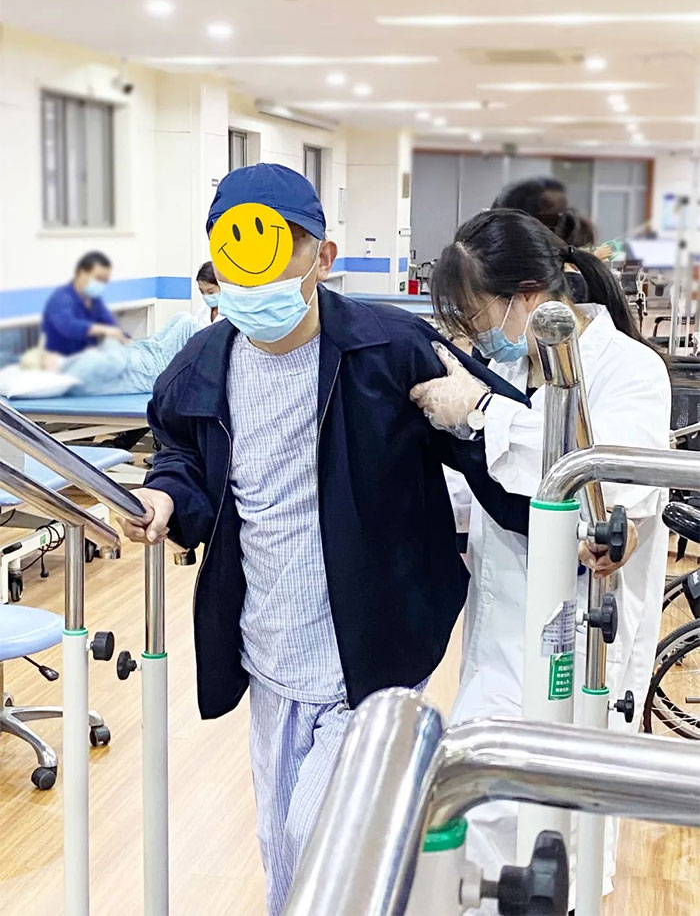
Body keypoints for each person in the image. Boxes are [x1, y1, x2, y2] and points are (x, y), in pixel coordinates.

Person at [119, 163, 533, 915]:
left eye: (278, 252)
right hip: (268, 649)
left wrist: (561, 515)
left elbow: (502, 443)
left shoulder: (392, 348)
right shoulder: (200, 366)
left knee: (322, 839)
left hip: (373, 645)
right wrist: (162, 496)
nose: (254, 280)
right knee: (281, 846)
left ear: (324, 257)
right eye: (235, 259)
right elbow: (183, 458)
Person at [410, 208, 671, 905]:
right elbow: (479, 494)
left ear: (528, 297)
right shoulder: (509, 367)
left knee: (560, 841)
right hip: (498, 641)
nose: (479, 335)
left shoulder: (629, 370)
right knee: (481, 830)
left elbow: (605, 478)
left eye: (479, 315)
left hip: (576, 647)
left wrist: (484, 414)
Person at [19, 312, 203, 395]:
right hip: (155, 368)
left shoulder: (72, 364)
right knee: (187, 322)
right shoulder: (75, 372)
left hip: (144, 352)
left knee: (181, 317)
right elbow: (114, 363)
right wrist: (110, 338)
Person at [42, 251, 128, 356]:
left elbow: (110, 324)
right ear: (81, 272)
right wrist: (102, 329)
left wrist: (125, 338)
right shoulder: (61, 297)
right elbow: (69, 326)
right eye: (98, 279)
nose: (101, 284)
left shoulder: (94, 300)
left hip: (86, 355)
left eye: (105, 280)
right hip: (61, 357)